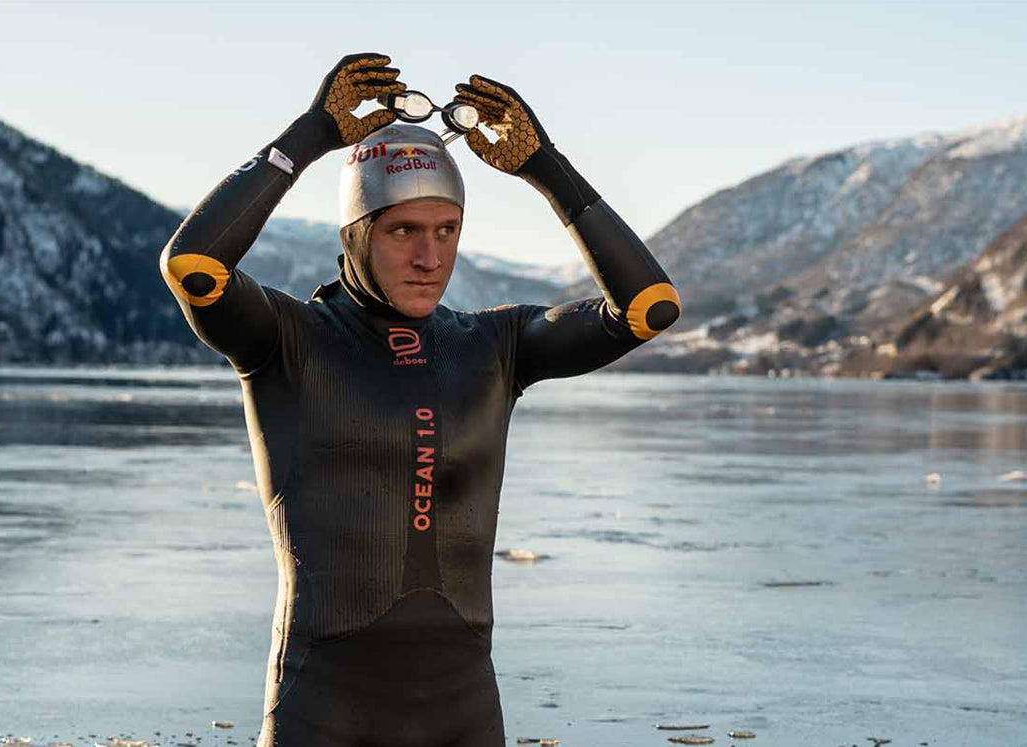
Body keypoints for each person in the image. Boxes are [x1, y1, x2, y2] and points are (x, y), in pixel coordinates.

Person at [160, 52, 681, 746]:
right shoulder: (287, 339)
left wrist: (545, 166)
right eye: (404, 229)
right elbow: (194, 265)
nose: (430, 257)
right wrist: (311, 135)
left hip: (463, 717)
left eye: (447, 230)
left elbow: (648, 306)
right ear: (357, 233)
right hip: (324, 711)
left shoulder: (496, 345)